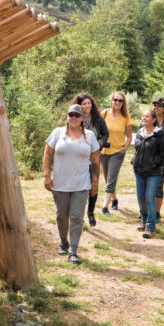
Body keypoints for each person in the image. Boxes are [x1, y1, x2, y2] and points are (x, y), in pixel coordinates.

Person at [43, 103, 101, 264]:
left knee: (76, 217)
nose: (73, 118)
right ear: (67, 117)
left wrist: (95, 182)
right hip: (60, 183)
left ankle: (73, 251)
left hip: (81, 184)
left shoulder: (89, 136)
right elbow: (47, 154)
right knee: (62, 216)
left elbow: (96, 160)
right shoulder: (57, 133)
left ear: (82, 118)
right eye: (71, 115)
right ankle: (63, 241)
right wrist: (47, 175)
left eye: (77, 115)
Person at [131, 108, 164, 238]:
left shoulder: (160, 134)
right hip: (139, 170)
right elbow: (137, 149)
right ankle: (143, 220)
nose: (144, 118)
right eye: (143, 116)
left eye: (147, 116)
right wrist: (134, 161)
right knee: (140, 198)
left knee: (149, 198)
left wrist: (154, 163)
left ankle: (150, 226)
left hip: (153, 172)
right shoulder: (140, 131)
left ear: (154, 120)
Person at [72, 92, 108, 226]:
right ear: (79, 105)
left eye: (89, 103)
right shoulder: (75, 117)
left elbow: (106, 133)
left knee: (94, 184)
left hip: (94, 157)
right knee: (79, 187)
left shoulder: (98, 118)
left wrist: (99, 142)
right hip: (79, 157)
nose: (87, 105)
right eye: (84, 103)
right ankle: (78, 215)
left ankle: (91, 213)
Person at [100, 91, 132, 215]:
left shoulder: (125, 117)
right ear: (112, 100)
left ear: (123, 103)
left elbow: (129, 136)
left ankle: (104, 207)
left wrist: (124, 150)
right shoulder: (104, 114)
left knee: (111, 179)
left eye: (120, 100)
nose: (118, 102)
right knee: (107, 178)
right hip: (103, 151)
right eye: (116, 100)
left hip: (117, 152)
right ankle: (115, 199)